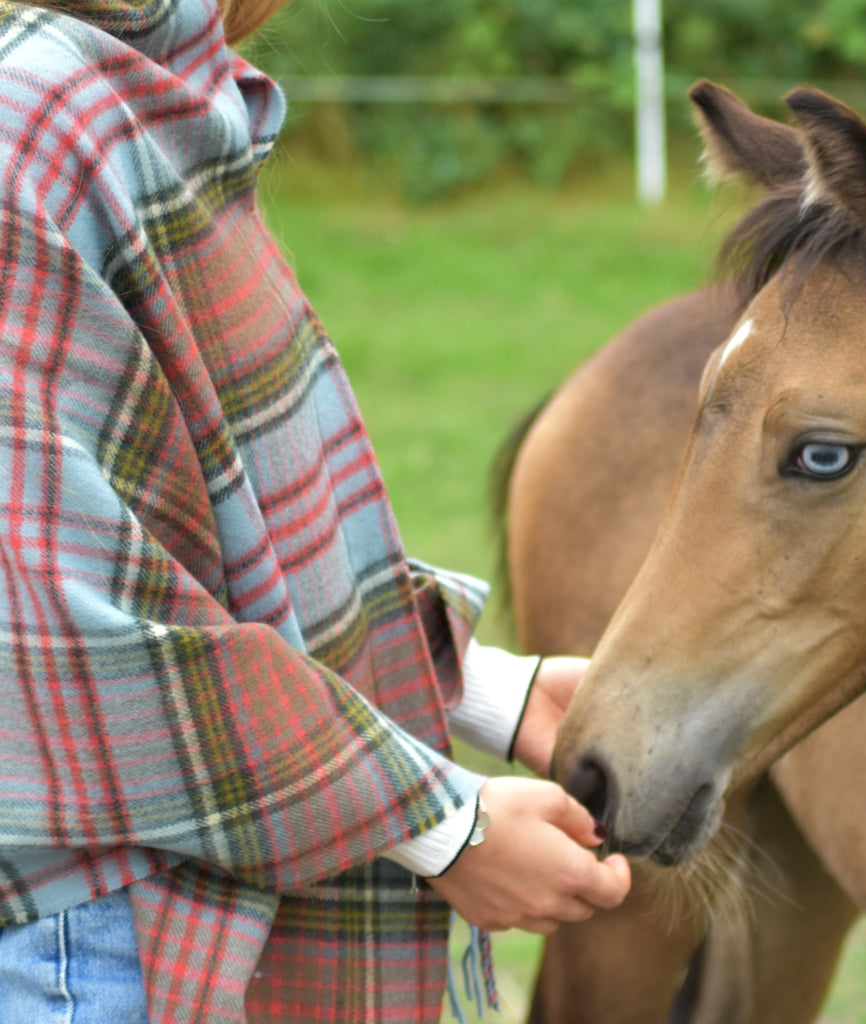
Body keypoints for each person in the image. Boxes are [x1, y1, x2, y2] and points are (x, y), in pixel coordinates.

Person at [0, 1, 631, 1022]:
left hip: (190, 898)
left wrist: (482, 689)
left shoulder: (146, 88)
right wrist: (443, 823)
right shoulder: (31, 119)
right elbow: (55, 622)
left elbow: (199, 525)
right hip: (109, 940)